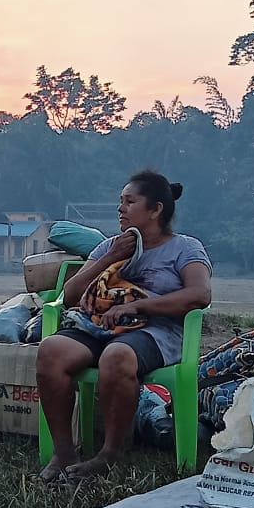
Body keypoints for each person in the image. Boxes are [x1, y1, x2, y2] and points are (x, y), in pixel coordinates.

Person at [36, 170, 211, 481]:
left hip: (153, 331)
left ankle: (110, 453)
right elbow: (72, 295)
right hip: (97, 327)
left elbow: (199, 295)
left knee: (116, 356)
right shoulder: (109, 247)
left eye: (130, 202)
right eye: (120, 201)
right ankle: (64, 453)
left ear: (156, 209)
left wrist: (138, 305)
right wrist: (111, 256)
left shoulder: (185, 248)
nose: (121, 208)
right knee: (52, 350)